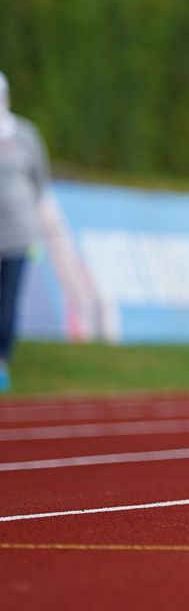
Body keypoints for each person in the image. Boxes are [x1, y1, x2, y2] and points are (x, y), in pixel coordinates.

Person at [0, 72, 51, 394]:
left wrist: (31, 219)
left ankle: (1, 361)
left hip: (17, 235)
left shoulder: (24, 134)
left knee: (7, 303)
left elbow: (39, 179)